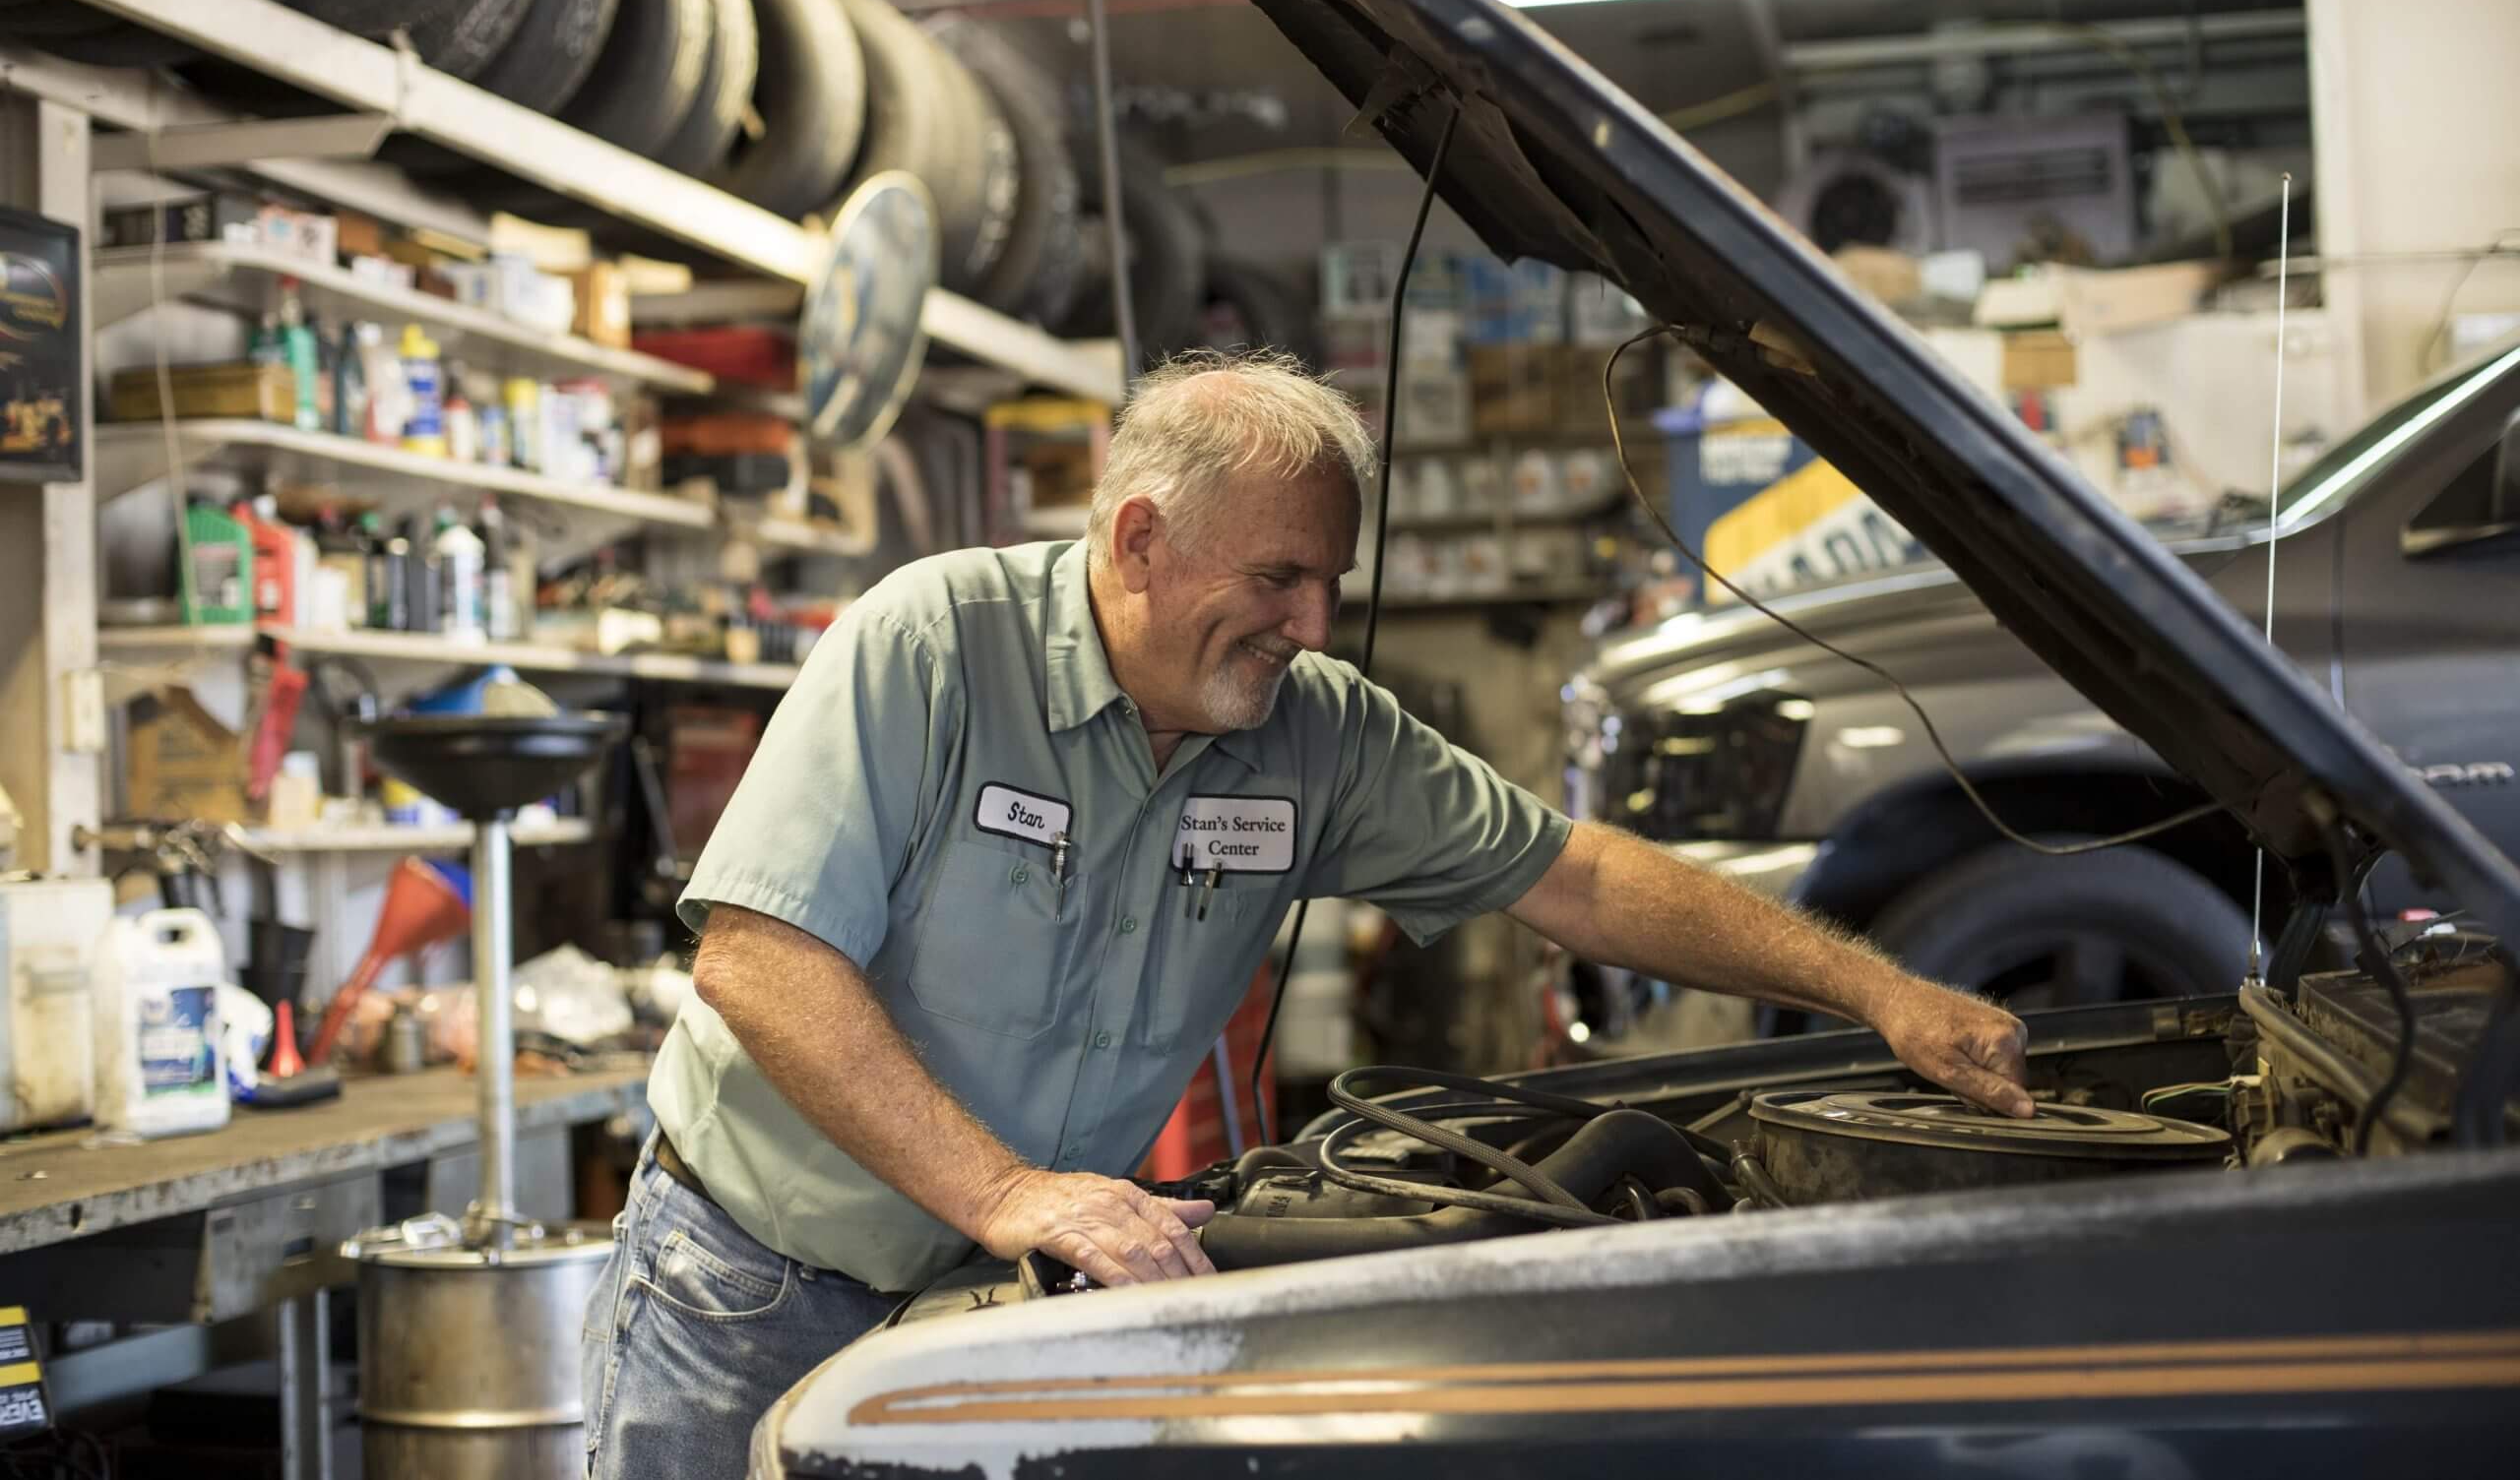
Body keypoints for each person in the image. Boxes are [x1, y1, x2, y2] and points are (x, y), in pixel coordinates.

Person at [581, 350, 2032, 1478]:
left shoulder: (1315, 733)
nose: (1314, 625)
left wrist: (1878, 993)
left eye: (1329, 581)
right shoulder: (934, 645)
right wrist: (1008, 1189)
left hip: (998, 1304)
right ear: (1141, 537)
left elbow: (1574, 875)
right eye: (1275, 577)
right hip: (751, 1292)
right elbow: (760, 962)